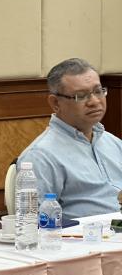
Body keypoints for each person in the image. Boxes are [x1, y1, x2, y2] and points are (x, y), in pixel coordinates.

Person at [18, 58, 122, 220]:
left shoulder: (113, 143)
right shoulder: (40, 156)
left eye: (98, 91)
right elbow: (33, 223)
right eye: (81, 96)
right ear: (55, 103)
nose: (95, 101)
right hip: (88, 234)